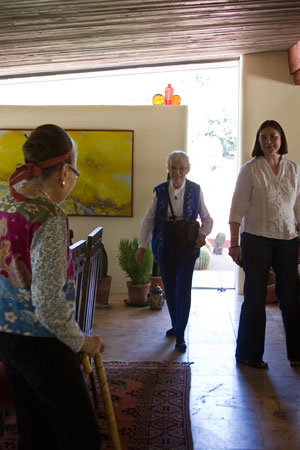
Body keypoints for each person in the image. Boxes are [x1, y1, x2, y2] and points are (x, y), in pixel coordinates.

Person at [0, 124, 105, 450]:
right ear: (63, 171)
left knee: (34, 428)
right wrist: (81, 341)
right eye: (73, 171)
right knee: (80, 435)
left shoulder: (5, 203)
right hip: (43, 343)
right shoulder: (49, 216)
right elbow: (47, 302)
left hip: (7, 336)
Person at [229, 119, 300, 369]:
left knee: (291, 296)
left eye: (273, 137)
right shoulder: (250, 169)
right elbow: (237, 207)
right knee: (255, 297)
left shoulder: (294, 169)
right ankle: (249, 355)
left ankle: (297, 353)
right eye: (264, 137)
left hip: (288, 240)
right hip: (256, 239)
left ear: (281, 139)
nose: (269, 142)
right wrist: (234, 243)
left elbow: (298, 208)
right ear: (258, 141)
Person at [136, 150, 213, 352]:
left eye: (181, 168)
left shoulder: (196, 190)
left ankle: (180, 334)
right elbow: (148, 220)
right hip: (165, 242)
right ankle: (176, 325)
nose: (177, 172)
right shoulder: (160, 191)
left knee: (183, 288)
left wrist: (203, 235)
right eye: (173, 167)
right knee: (169, 288)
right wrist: (142, 246)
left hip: (187, 243)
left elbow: (207, 218)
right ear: (168, 169)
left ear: (187, 170)